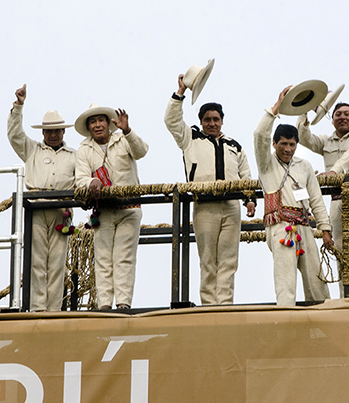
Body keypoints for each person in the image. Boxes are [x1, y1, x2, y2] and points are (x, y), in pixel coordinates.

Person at [164, 74, 255, 305]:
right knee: (207, 258)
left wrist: (250, 200)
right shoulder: (191, 138)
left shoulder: (234, 146)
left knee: (229, 259)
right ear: (201, 121)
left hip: (231, 205)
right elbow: (171, 121)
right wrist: (181, 92)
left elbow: (246, 175)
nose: (211, 123)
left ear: (222, 120)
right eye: (207, 119)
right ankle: (208, 305)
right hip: (204, 205)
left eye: (215, 119)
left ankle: (224, 304)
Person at [254, 86, 334, 306]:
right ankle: (286, 321)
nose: (288, 149)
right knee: (285, 281)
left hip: (305, 227)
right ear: (274, 144)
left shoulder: (305, 166)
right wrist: (275, 109)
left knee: (316, 280)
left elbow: (316, 200)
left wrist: (325, 230)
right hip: (280, 227)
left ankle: (322, 324)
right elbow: (259, 135)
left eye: (292, 144)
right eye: (284, 144)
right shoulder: (266, 163)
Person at [7, 84, 76, 312]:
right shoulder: (32, 150)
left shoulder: (75, 156)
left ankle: (54, 310)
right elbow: (15, 135)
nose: (53, 134)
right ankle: (37, 308)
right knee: (36, 261)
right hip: (36, 210)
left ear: (63, 132)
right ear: (43, 133)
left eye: (57, 130)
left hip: (61, 212)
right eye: (49, 131)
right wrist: (18, 106)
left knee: (57, 263)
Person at [74, 103, 149, 310]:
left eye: (100, 120)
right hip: (104, 210)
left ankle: (123, 303)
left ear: (108, 123)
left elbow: (142, 151)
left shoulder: (124, 138)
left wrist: (127, 130)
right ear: (89, 127)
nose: (97, 125)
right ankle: (105, 305)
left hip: (129, 208)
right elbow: (80, 178)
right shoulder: (84, 150)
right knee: (103, 258)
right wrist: (91, 182)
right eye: (93, 122)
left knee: (124, 258)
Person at [296, 103, 349, 297]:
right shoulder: (326, 141)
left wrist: (334, 172)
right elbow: (303, 137)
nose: (342, 117)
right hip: (337, 201)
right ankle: (346, 298)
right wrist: (304, 107)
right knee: (340, 250)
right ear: (332, 119)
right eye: (338, 114)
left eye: (347, 114)